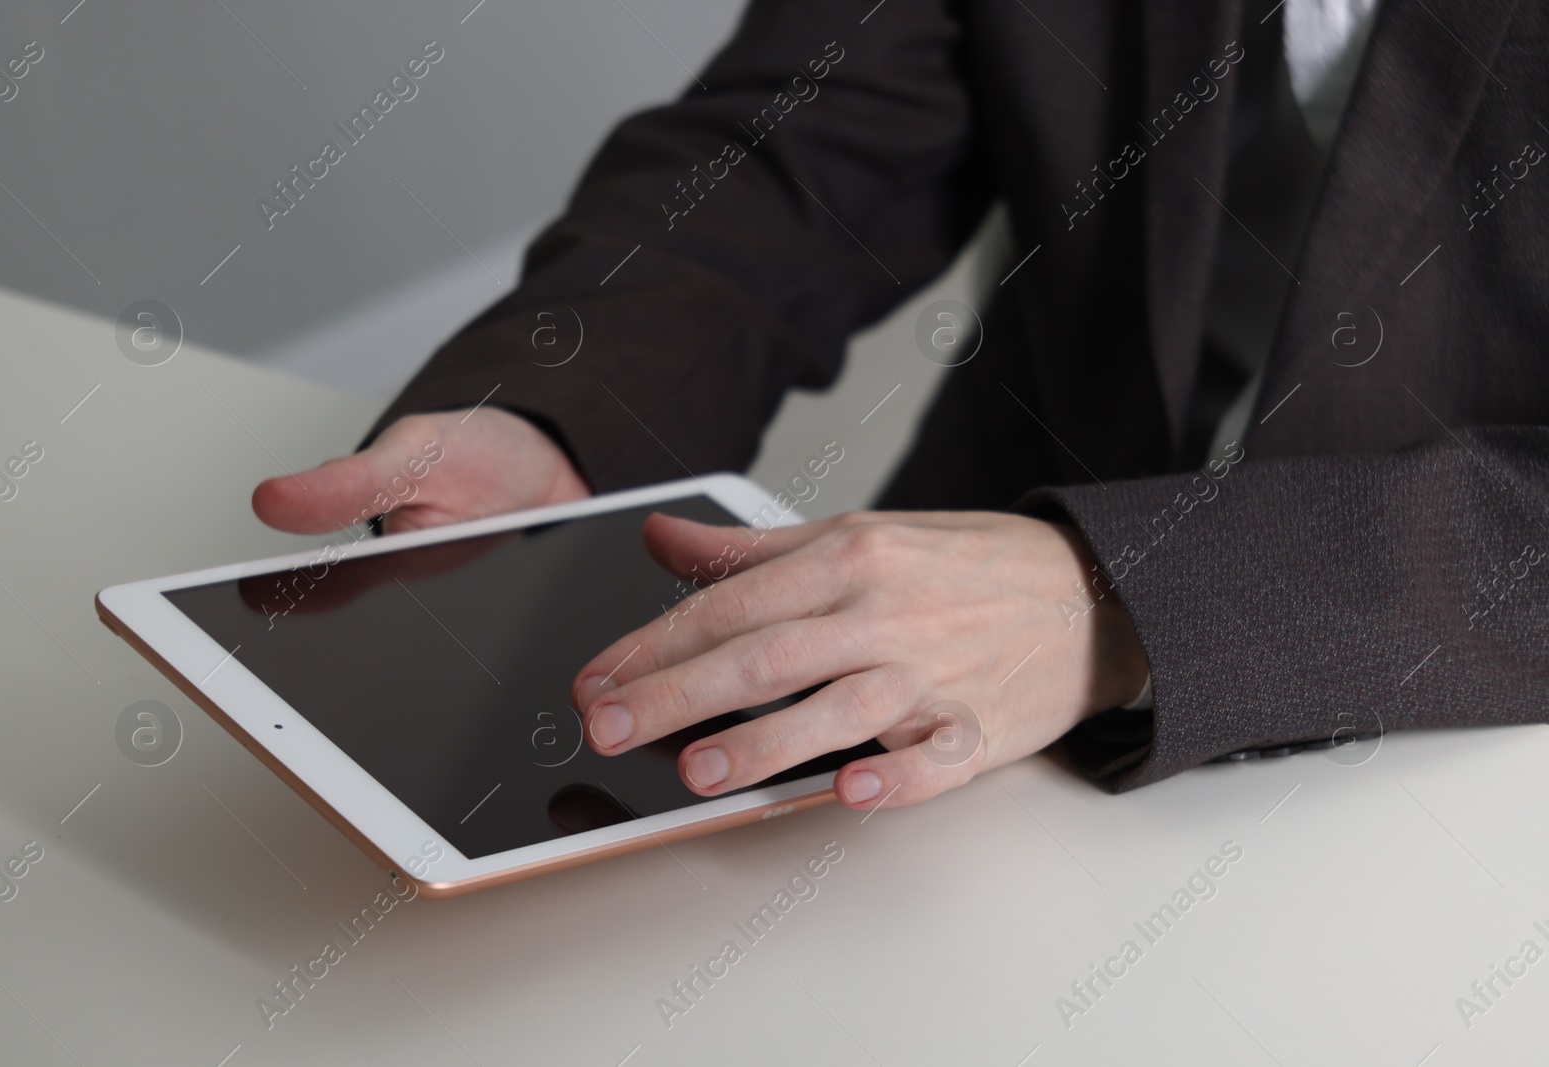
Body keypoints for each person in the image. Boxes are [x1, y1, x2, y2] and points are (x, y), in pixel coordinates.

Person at [252, 0, 1548, 809]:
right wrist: (560, 409)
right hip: (955, 668)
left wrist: (1117, 599)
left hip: (1462, 741)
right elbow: (807, 138)